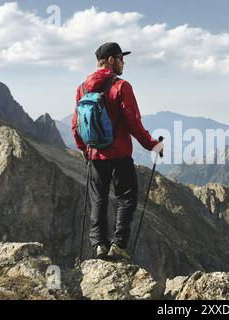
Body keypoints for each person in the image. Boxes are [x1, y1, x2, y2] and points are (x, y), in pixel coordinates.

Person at [71, 42, 164, 261]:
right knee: (126, 198)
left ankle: (99, 245)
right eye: (121, 58)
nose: (124, 62)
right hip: (120, 154)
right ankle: (119, 246)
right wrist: (152, 144)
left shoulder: (82, 88)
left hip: (95, 156)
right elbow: (134, 123)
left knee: (98, 199)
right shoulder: (121, 87)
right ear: (111, 60)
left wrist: (84, 148)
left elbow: (76, 125)